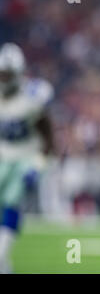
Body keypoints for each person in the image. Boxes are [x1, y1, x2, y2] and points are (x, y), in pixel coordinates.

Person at [0, 42, 54, 273]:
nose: (3, 79)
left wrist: (38, 165)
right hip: (3, 157)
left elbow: (48, 138)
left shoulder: (32, 96)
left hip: (26, 158)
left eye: (7, 75)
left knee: (12, 202)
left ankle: (2, 255)